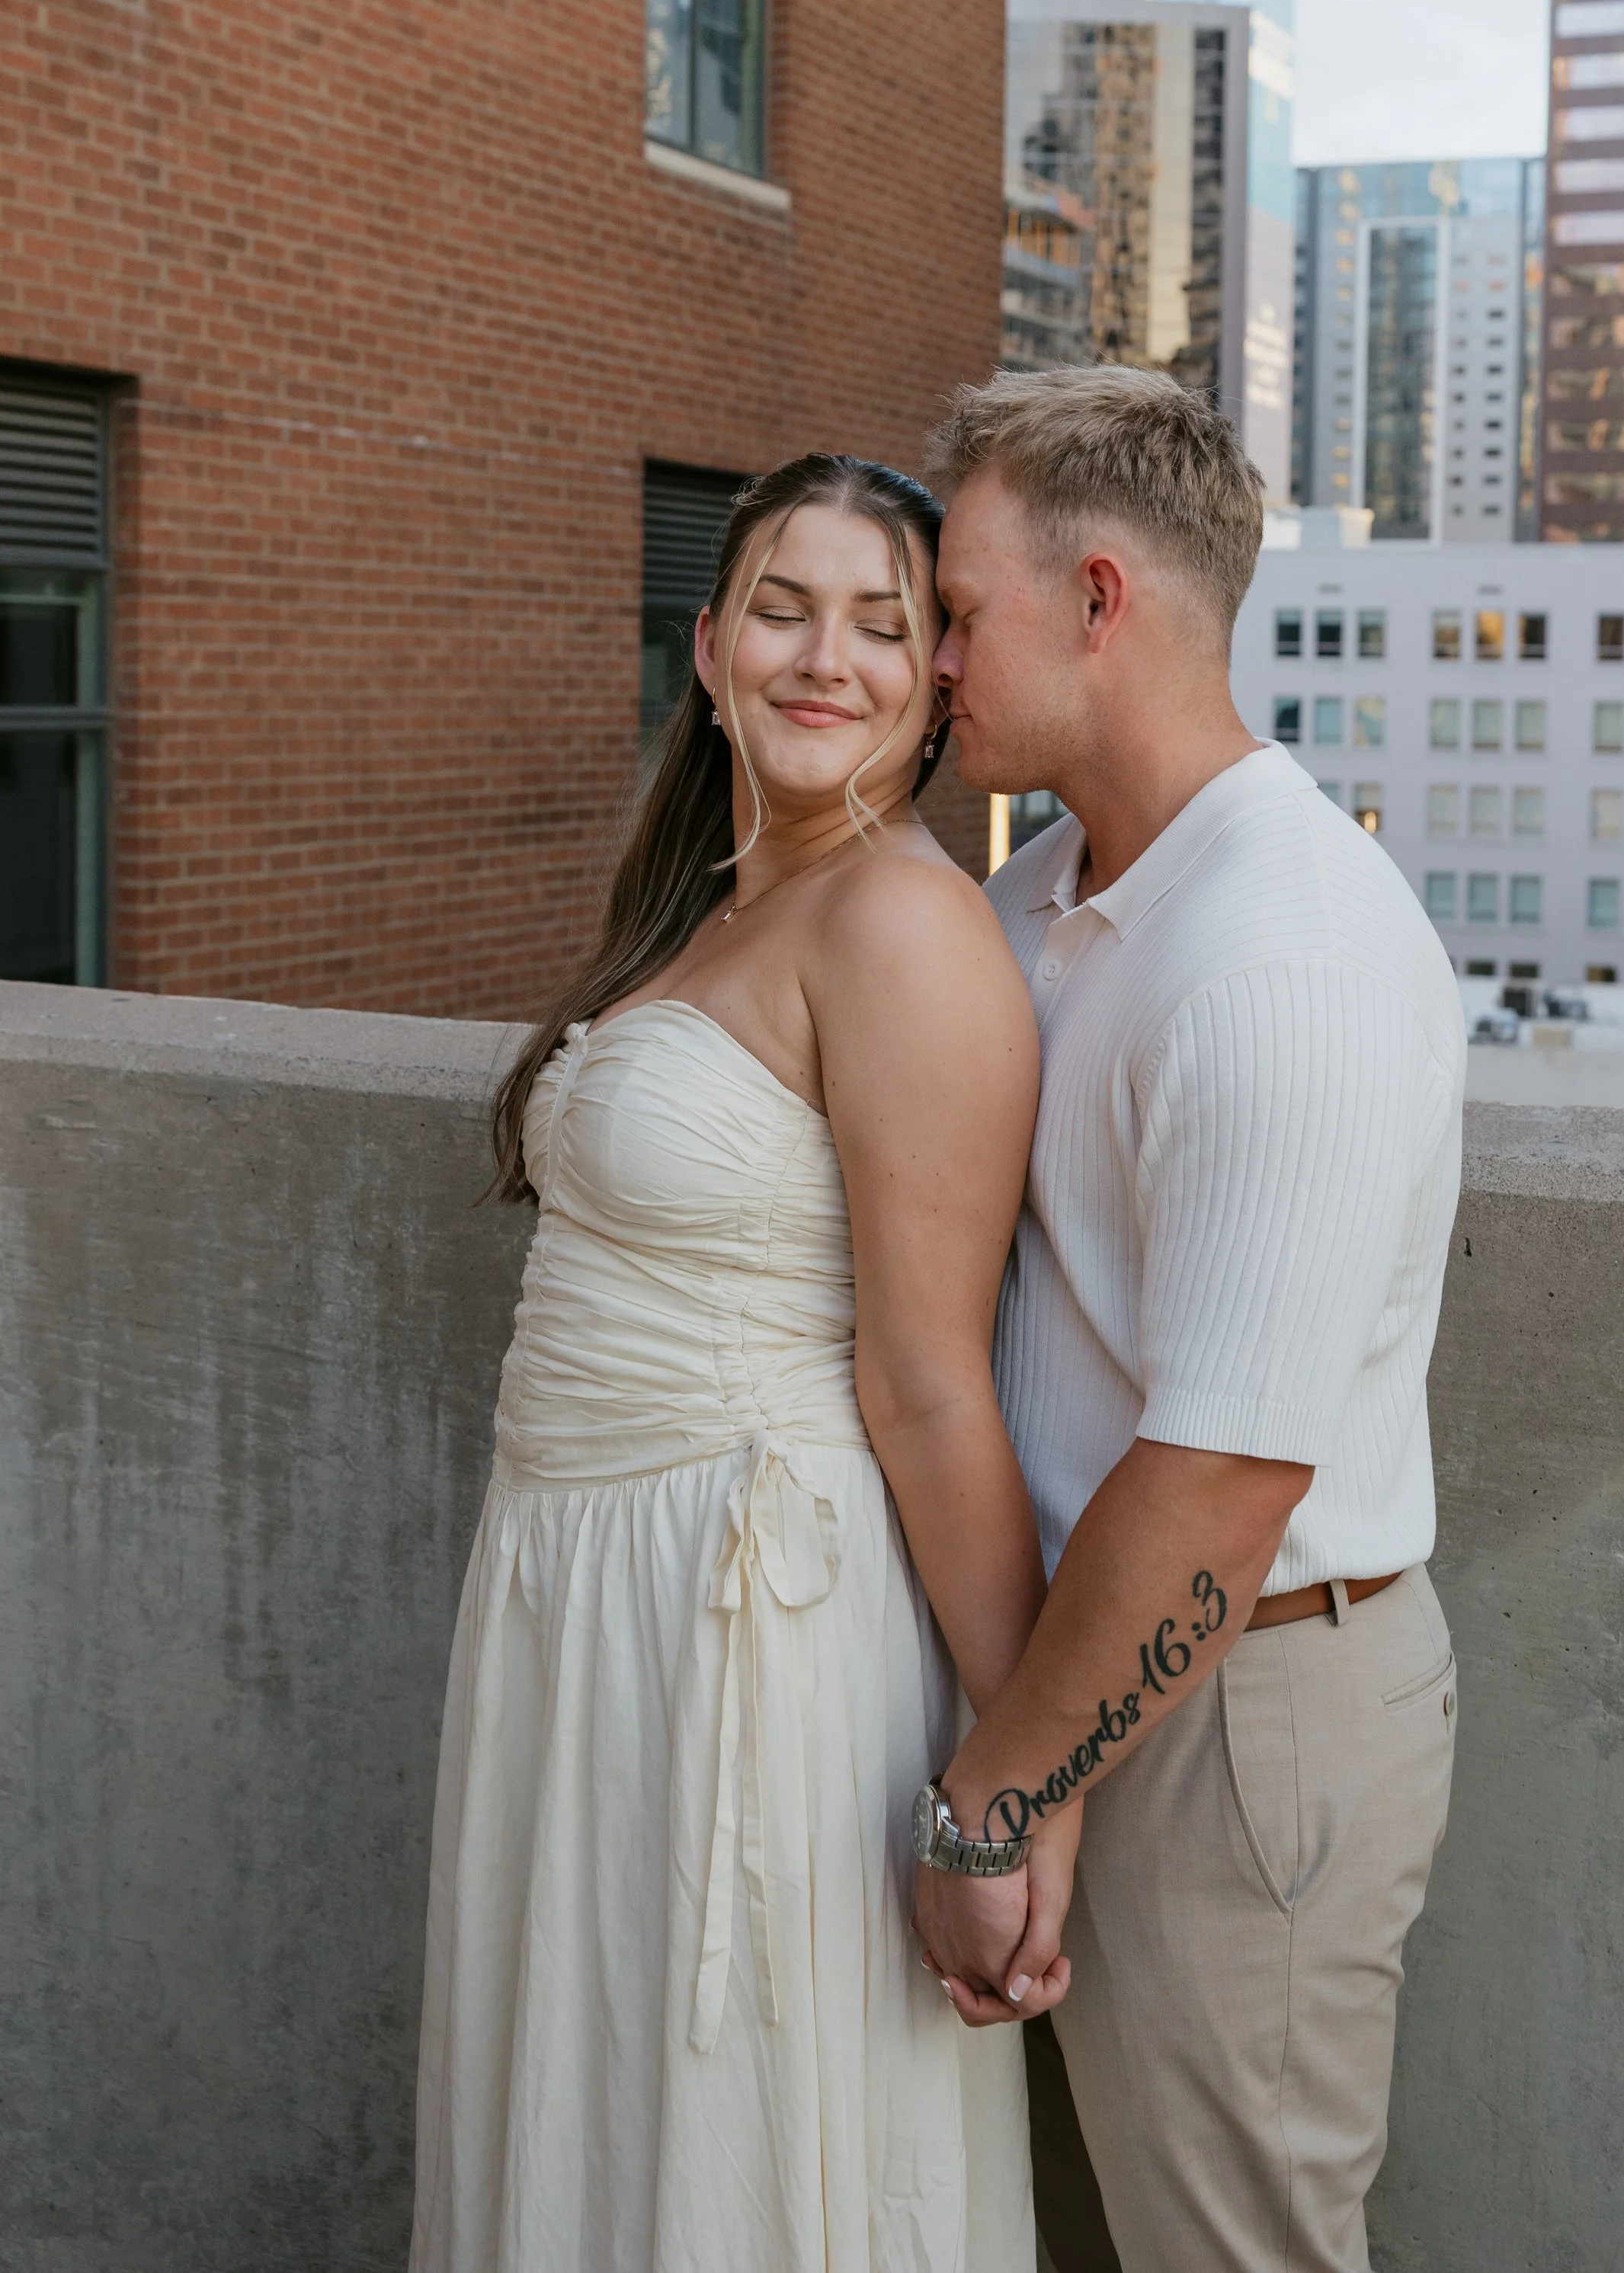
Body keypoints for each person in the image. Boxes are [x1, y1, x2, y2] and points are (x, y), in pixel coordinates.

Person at [409, 453, 1070, 2273]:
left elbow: (933, 1390)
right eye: (782, 608)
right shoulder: (710, 909)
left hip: (749, 1631)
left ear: (934, 679)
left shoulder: (901, 924)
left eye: (880, 622)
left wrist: (1016, 1791)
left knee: (732, 2147)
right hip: (583, 1598)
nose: (823, 658)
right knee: (596, 2122)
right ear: (706, 648)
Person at [911, 368, 1467, 2273]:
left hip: (1242, 1715)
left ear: (1097, 598)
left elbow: (1224, 1481)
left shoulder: (1279, 959)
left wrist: (997, 1800)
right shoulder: (1052, 892)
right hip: (1095, 1679)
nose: (927, 656)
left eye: (955, 607)